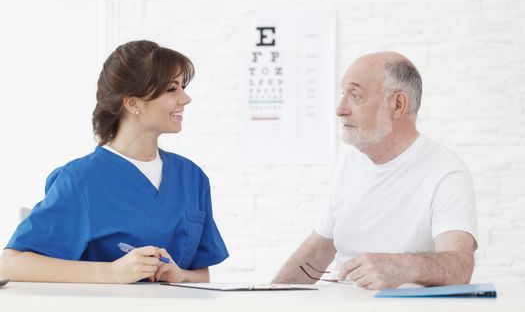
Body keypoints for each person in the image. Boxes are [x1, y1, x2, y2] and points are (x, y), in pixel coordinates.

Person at [0, 40, 228, 283]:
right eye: (172, 89)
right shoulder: (80, 180)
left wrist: (180, 275)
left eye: (183, 87)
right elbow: (10, 265)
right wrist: (111, 272)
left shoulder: (192, 178)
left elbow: (202, 275)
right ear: (132, 103)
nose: (186, 98)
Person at [272, 52, 477, 289]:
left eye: (355, 95)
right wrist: (267, 299)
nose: (340, 109)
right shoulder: (350, 163)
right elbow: (318, 250)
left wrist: (403, 266)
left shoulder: (446, 172)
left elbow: (460, 267)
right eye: (343, 95)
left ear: (397, 104)